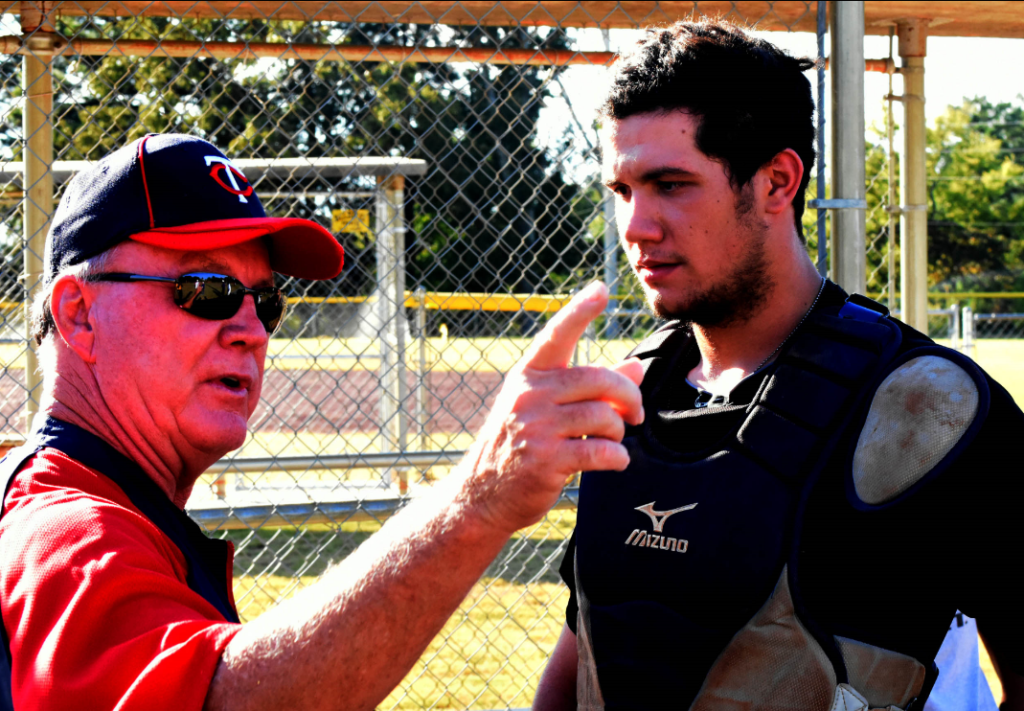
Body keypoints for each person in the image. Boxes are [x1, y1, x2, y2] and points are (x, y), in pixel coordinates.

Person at [0, 133, 644, 711]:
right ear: (79, 315)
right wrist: (479, 498)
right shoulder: (70, 532)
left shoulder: (113, 504)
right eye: (207, 290)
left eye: (266, 302)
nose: (251, 329)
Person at [533, 20, 1024, 711]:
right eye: (622, 190)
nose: (637, 226)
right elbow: (585, 649)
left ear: (776, 180)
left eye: (672, 184)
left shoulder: (930, 412)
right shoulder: (629, 398)